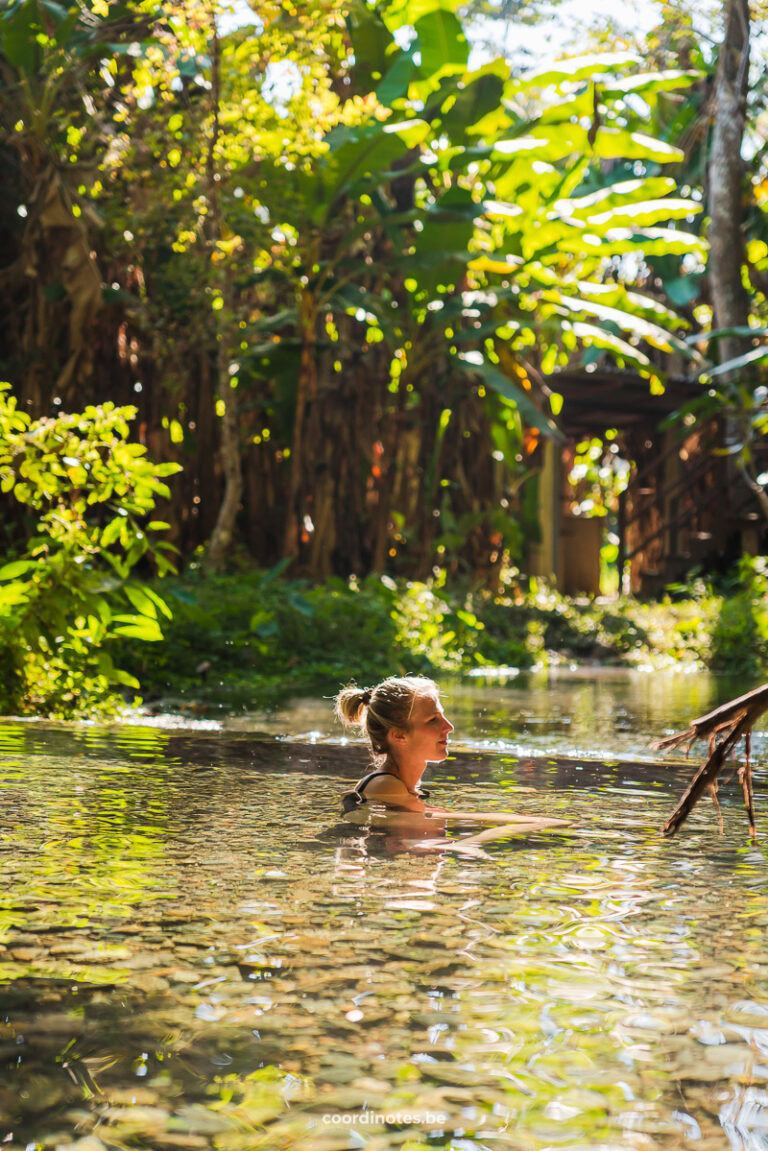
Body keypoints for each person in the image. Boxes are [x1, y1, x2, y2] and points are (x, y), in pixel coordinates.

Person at [334, 674, 569, 851]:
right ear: (399, 736)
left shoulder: (401, 788)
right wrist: (532, 823)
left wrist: (530, 822)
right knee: (546, 827)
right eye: (433, 720)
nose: (449, 727)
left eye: (443, 715)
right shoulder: (384, 786)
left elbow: (445, 822)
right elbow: (442, 825)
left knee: (545, 827)